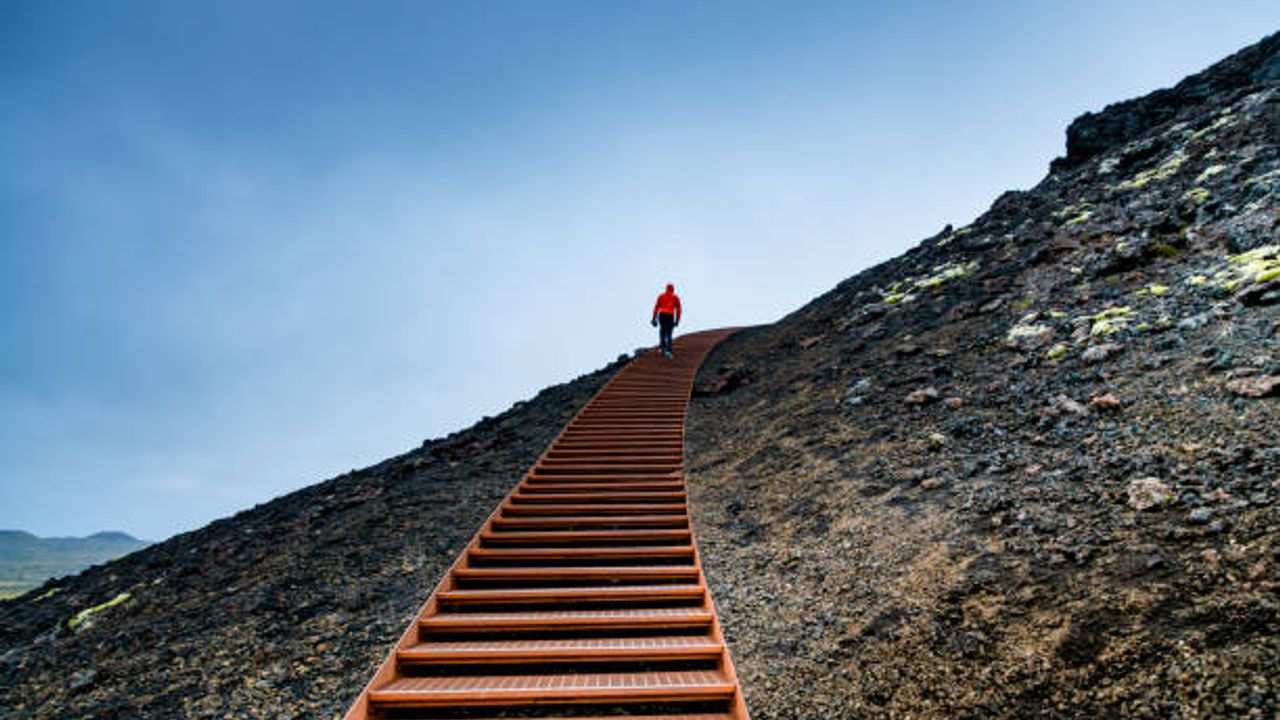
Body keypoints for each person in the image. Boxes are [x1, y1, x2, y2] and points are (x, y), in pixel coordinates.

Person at [650, 283, 682, 358]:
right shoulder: (675, 297)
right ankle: (669, 351)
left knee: (662, 331)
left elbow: (656, 308)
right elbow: (679, 310)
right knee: (669, 333)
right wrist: (677, 320)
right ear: (673, 290)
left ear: (666, 289)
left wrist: (654, 318)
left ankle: (662, 347)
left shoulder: (661, 296)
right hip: (670, 316)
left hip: (662, 315)